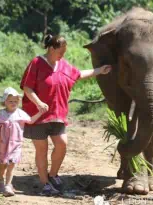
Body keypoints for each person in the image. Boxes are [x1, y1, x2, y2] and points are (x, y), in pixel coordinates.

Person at [20, 34, 111, 196]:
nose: (62, 54)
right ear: (51, 48)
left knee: (62, 144)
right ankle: (44, 183)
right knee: (42, 150)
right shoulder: (37, 63)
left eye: (64, 51)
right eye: (60, 51)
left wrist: (99, 71)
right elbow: (27, 88)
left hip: (58, 114)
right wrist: (38, 103)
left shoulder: (63, 65)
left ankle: (53, 174)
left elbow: (78, 74)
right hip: (38, 116)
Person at [0, 87, 44, 197]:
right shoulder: (1, 114)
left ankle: (8, 185)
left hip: (16, 144)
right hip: (3, 144)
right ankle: (0, 181)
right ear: (4, 101)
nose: (13, 103)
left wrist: (40, 112)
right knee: (3, 165)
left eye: (15, 101)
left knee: (11, 165)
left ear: (18, 102)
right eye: (10, 101)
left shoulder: (20, 113)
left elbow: (30, 120)